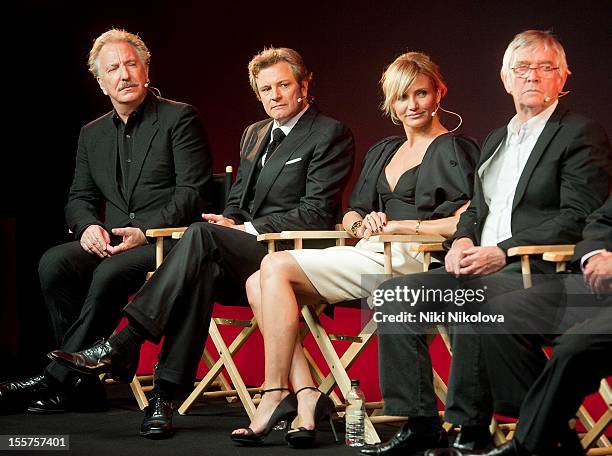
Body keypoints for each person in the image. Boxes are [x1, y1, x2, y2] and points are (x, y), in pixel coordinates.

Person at [48, 47, 355, 439]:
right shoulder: (254, 133)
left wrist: (243, 229)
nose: (274, 95)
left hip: (294, 255)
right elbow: (236, 202)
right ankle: (165, 394)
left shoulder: (329, 132)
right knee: (202, 265)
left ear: (304, 85)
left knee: (199, 236)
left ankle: (125, 343)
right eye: (265, 89)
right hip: (249, 258)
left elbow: (313, 213)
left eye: (283, 85)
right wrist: (230, 221)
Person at [364, 30, 611, 456]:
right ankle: (422, 422)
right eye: (522, 68)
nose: (533, 76)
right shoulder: (497, 138)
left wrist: (504, 250)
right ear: (505, 78)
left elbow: (577, 219)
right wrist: (461, 241)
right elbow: (477, 212)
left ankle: (473, 428)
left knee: (479, 300)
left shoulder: (578, 134)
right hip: (478, 264)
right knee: (393, 294)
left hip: (538, 272)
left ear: (563, 77)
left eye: (546, 67)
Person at [230, 51, 480, 448]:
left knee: (273, 266)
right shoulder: (384, 150)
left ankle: (275, 392)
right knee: (257, 282)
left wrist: (405, 225)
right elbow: (352, 213)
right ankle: (306, 396)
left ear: (438, 94)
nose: (411, 105)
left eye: (420, 94)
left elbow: (467, 220)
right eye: (401, 97)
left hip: (414, 259)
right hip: (371, 251)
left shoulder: (455, 149)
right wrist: (362, 223)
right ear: (390, 103)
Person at [0, 28, 212, 415]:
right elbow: (79, 198)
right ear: (101, 83)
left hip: (168, 243)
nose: (124, 75)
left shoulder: (180, 118)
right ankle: (82, 384)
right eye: (113, 69)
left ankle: (58, 378)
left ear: (147, 70)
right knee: (54, 263)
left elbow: (192, 193)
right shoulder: (91, 133)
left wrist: (144, 230)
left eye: (131, 64)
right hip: (113, 241)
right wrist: (88, 228)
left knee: (110, 272)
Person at [426, 197, 611, 455]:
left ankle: (528, 445)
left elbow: (576, 214)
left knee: (575, 346)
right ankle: (552, 440)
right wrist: (594, 256)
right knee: (495, 312)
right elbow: (602, 221)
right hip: (594, 286)